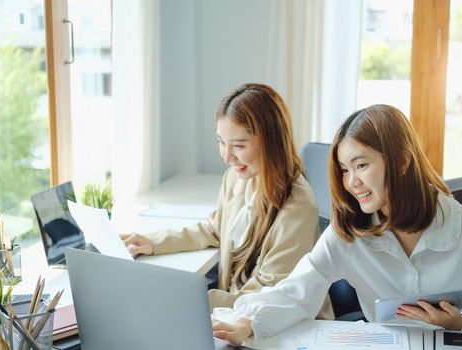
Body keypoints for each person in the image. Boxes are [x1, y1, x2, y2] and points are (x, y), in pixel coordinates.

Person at [212, 104, 462, 345]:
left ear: (402, 162)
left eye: (361, 165)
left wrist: (461, 321)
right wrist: (246, 324)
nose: (351, 182)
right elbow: (296, 292)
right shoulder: (349, 232)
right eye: (344, 169)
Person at [121, 83, 333, 316]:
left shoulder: (297, 206)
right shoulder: (237, 179)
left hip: (278, 323)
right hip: (236, 314)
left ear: (271, 143)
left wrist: (189, 300)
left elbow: (267, 293)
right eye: (221, 142)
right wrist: (153, 242)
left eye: (239, 146)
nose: (227, 156)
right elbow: (215, 229)